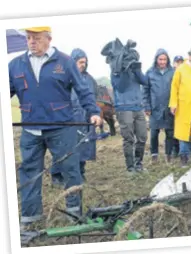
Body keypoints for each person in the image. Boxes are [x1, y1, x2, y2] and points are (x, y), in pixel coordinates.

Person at [9, 27, 102, 228]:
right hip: (30, 129)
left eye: (37, 38)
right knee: (30, 171)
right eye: (29, 38)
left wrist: (93, 112)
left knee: (70, 169)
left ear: (49, 39)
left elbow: (83, 89)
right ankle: (30, 216)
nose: (32, 42)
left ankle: (74, 211)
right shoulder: (15, 65)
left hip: (62, 126)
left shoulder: (65, 62)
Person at [51, 48, 99, 184]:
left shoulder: (89, 79)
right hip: (68, 117)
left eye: (85, 62)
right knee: (64, 147)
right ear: (73, 62)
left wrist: (94, 114)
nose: (83, 64)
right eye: (80, 62)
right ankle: (57, 174)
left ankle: (81, 172)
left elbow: (93, 97)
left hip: (85, 118)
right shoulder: (64, 77)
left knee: (84, 146)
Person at [101, 38, 148, 173]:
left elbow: (144, 81)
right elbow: (121, 87)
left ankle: (139, 164)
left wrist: (136, 69)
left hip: (138, 107)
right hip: (124, 108)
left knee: (142, 137)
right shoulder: (115, 73)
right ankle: (130, 167)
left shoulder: (134, 69)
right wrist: (124, 71)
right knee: (128, 139)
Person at [143, 49, 175, 163]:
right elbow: (145, 91)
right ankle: (154, 155)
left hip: (169, 107)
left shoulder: (173, 72)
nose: (162, 62)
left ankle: (168, 155)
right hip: (154, 107)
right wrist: (147, 106)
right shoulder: (150, 73)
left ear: (168, 60)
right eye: (160, 59)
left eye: (164, 59)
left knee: (170, 133)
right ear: (156, 59)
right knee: (154, 133)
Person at [171, 55, 185, 158]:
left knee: (181, 128)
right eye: (177, 62)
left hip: (182, 106)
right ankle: (174, 149)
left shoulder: (185, 74)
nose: (179, 64)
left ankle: (182, 149)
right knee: (171, 128)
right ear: (174, 63)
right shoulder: (170, 73)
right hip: (172, 104)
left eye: (181, 62)